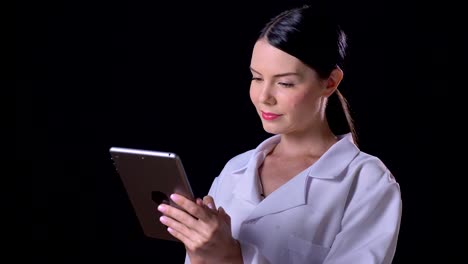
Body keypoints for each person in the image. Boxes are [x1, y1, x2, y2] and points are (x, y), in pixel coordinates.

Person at [157, 2, 402, 263]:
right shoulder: (235, 169)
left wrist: (230, 257)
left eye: (285, 83)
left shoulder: (366, 182)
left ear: (330, 82)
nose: (264, 97)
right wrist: (201, 252)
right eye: (257, 78)